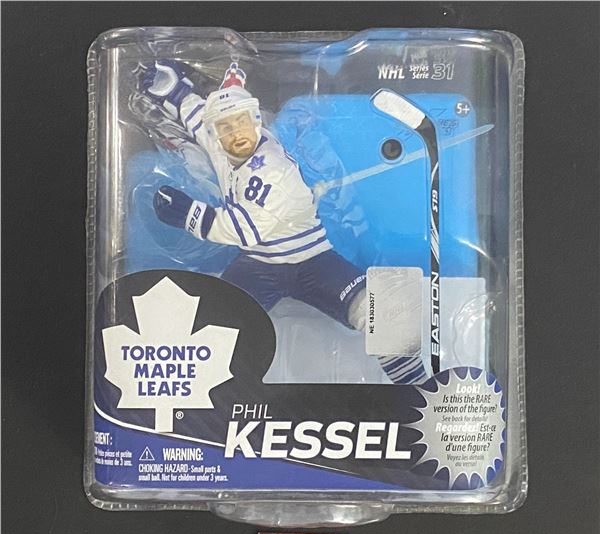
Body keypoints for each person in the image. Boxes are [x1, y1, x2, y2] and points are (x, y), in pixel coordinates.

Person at [140, 59, 426, 384]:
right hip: (260, 264)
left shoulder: (270, 168)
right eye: (226, 128)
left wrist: (188, 214)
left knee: (381, 310)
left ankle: (416, 388)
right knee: (211, 320)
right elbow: (201, 124)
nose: (235, 133)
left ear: (256, 120)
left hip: (311, 260)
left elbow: (243, 230)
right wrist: (175, 91)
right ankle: (205, 393)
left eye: (241, 123)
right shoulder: (226, 143)